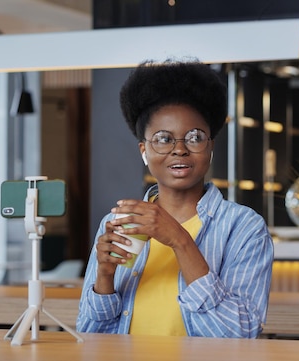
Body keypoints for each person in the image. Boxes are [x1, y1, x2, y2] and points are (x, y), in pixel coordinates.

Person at [77, 59, 273, 338]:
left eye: (194, 137)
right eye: (163, 138)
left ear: (210, 147)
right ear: (144, 150)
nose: (179, 150)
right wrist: (105, 277)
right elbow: (89, 333)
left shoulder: (243, 227)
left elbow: (239, 333)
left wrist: (179, 240)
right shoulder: (119, 222)